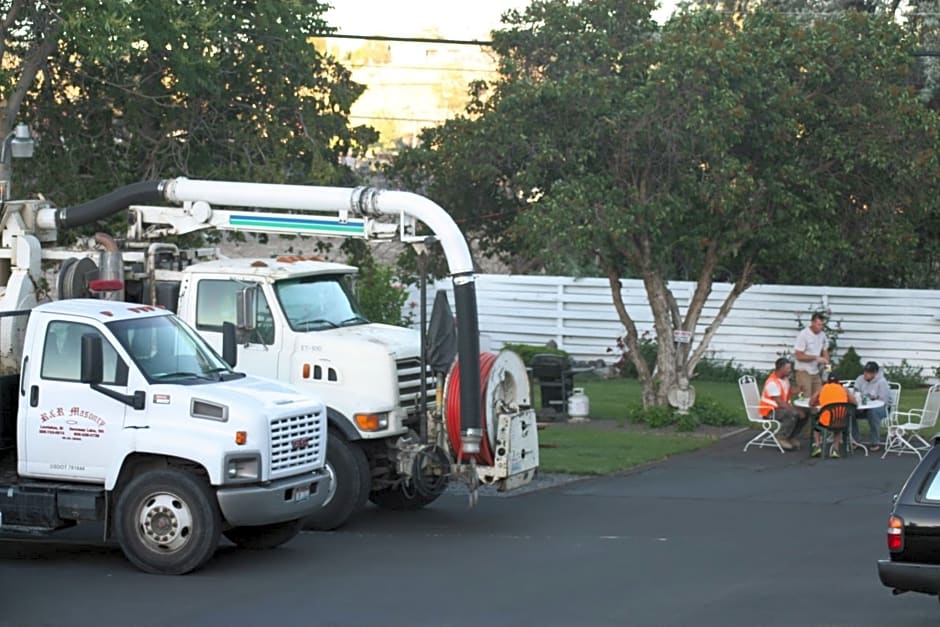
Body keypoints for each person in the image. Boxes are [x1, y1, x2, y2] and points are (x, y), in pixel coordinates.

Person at [759, 357, 807, 451]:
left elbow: (788, 391)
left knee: (805, 412)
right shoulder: (772, 382)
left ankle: (791, 436)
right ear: (781, 368)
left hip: (780, 408)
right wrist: (795, 410)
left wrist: (799, 389)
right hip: (770, 411)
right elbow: (780, 403)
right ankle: (781, 437)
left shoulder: (785, 379)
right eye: (788, 368)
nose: (790, 370)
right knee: (793, 414)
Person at [809, 372, 857, 458]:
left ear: (827, 381)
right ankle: (835, 449)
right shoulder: (844, 389)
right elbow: (854, 402)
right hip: (840, 420)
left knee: (816, 426)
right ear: (839, 381)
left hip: (826, 422)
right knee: (838, 427)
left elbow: (811, 402)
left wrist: (817, 401)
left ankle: (817, 446)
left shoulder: (822, 388)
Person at [852, 361, 890, 452]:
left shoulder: (882, 382)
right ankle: (854, 439)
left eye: (868, 372)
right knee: (850, 412)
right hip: (863, 406)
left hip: (882, 408)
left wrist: (871, 398)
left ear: (875, 373)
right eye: (865, 371)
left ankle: (875, 441)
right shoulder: (860, 379)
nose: (865, 374)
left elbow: (884, 401)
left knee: (873, 413)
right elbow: (855, 391)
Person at [793, 312, 830, 400]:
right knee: (805, 399)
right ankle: (803, 413)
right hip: (803, 371)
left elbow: (825, 351)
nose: (821, 327)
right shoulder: (804, 334)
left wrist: (827, 366)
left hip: (815, 371)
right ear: (812, 323)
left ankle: (816, 414)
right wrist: (816, 358)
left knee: (819, 397)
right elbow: (798, 356)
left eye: (822, 325)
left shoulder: (822, 335)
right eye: (818, 325)